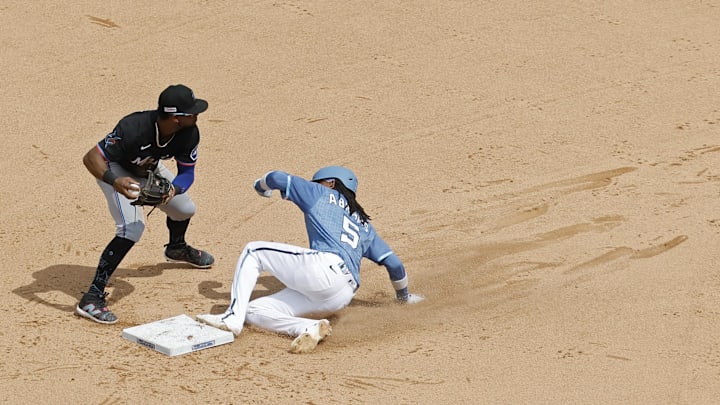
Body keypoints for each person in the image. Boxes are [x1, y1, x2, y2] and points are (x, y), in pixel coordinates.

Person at [197, 166, 424, 353]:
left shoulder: (322, 193)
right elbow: (394, 265)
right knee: (254, 310)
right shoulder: (365, 225)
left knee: (253, 250)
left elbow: (276, 177)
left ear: (331, 183)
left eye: (317, 182)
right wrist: (403, 298)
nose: (313, 185)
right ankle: (308, 327)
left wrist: (260, 186)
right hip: (340, 296)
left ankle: (231, 319)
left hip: (324, 269)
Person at [76, 84, 215, 325]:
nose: (197, 115)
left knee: (184, 209)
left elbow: (187, 174)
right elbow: (91, 158)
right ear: (175, 117)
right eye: (191, 112)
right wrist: (114, 180)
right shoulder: (133, 127)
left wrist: (173, 190)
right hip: (115, 171)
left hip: (149, 170)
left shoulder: (189, 133)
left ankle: (176, 248)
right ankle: (92, 298)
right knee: (132, 227)